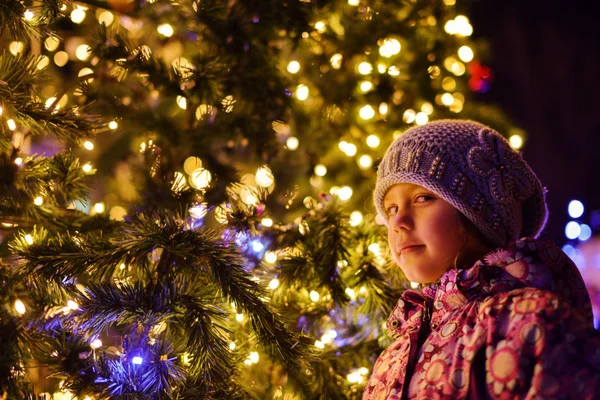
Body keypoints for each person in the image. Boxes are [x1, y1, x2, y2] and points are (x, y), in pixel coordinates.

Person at [363, 119, 600, 399]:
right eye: (391, 209)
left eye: (423, 198)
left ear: (480, 216)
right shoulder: (395, 353)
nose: (398, 221)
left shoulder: (531, 322)